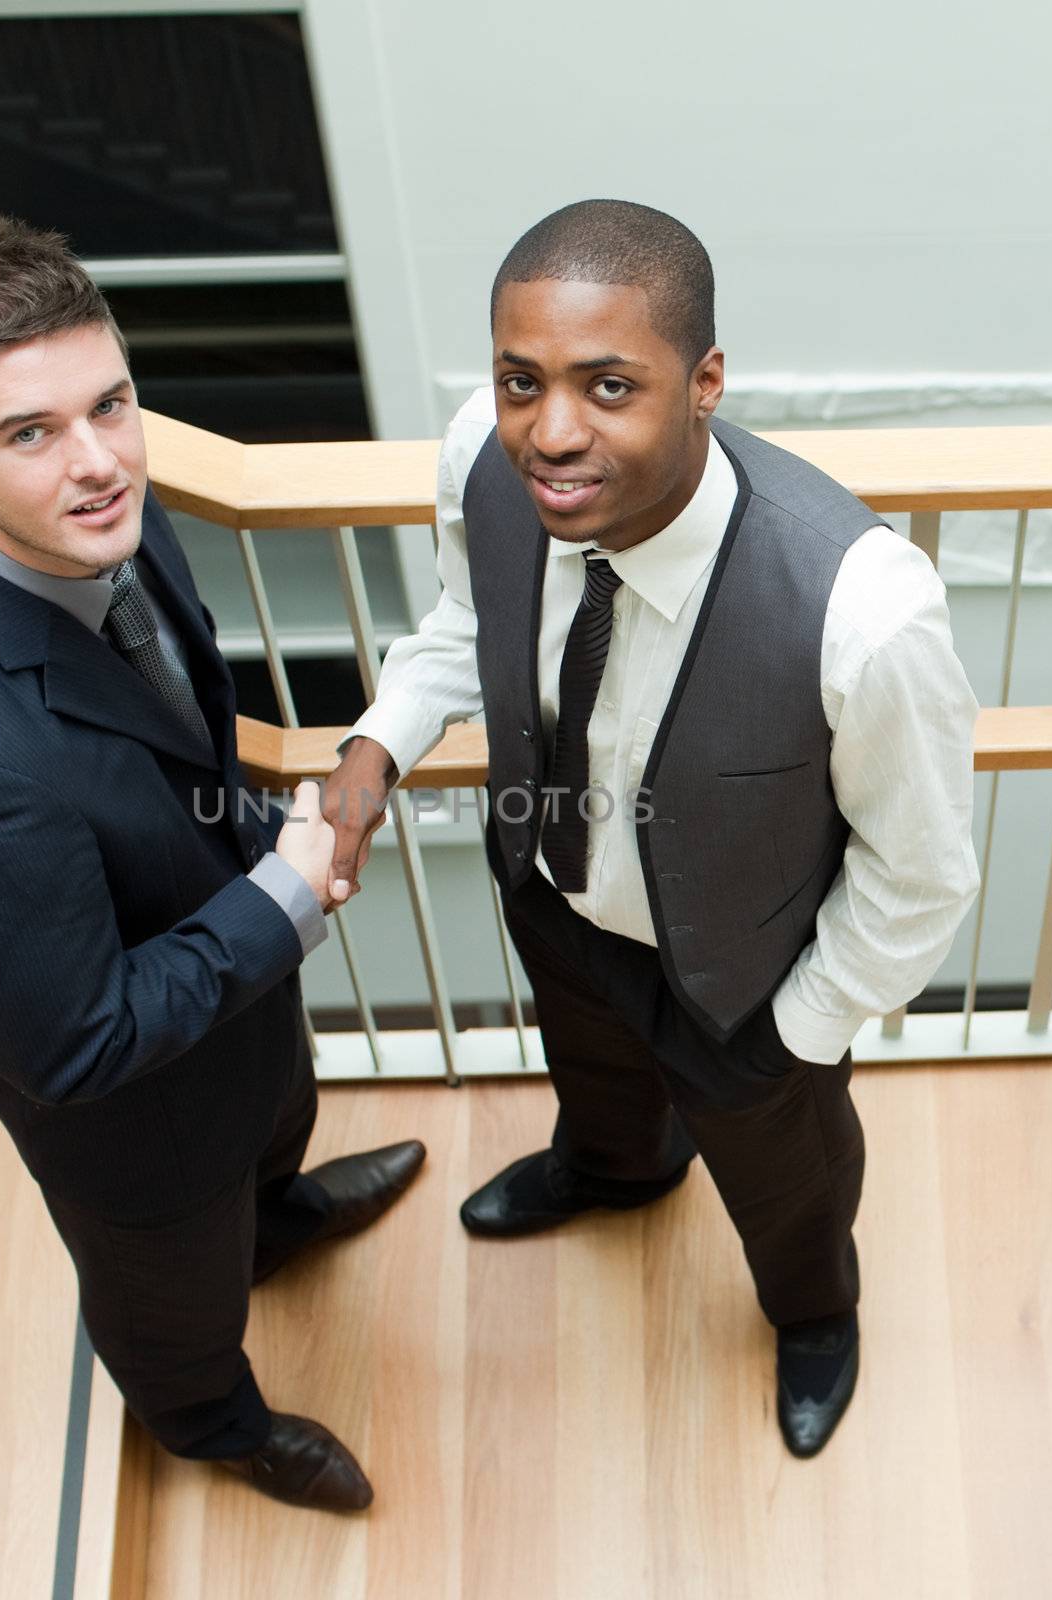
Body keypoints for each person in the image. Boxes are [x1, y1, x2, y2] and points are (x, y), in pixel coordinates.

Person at [325, 199, 979, 1458]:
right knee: (598, 1084)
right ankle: (615, 1172)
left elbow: (920, 872)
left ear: (703, 383)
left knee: (787, 1186)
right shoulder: (481, 454)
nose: (549, 431)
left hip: (748, 987)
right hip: (561, 900)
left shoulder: (861, 610)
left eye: (606, 384)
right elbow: (474, 619)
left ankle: (813, 1312)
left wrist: (801, 1029)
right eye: (522, 380)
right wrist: (374, 748)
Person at [0, 212, 425, 1512]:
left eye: (110, 403)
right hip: (144, 1137)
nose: (100, 462)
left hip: (233, 1008)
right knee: (175, 1313)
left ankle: (276, 1225)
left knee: (275, 1128)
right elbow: (74, 1046)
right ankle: (212, 1430)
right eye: (32, 433)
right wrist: (285, 896)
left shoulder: (104, 522)